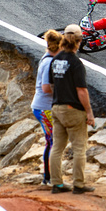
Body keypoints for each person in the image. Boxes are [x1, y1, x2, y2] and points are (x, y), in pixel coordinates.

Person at [49, 24, 96, 194]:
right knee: (79, 149)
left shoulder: (55, 60)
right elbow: (81, 91)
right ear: (79, 41)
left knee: (57, 148)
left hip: (56, 107)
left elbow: (50, 87)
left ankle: (57, 184)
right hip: (73, 109)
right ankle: (79, 185)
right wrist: (89, 112)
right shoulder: (76, 63)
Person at [31, 29, 62, 186]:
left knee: (53, 142)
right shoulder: (50, 62)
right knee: (53, 142)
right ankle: (48, 179)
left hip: (44, 107)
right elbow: (46, 87)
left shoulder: (47, 58)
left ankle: (49, 177)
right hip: (44, 108)